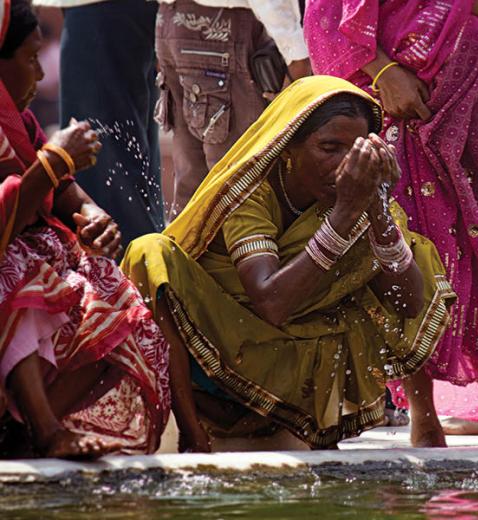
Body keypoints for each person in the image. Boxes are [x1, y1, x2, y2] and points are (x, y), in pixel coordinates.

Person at [122, 76, 455, 452]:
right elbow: (271, 303)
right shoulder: (250, 193)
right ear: (287, 149)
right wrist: (344, 215)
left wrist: (376, 207)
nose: (345, 164)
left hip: (291, 367)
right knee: (151, 253)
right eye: (329, 147)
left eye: (355, 150)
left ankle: (358, 426)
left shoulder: (357, 197)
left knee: (411, 253)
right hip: (214, 354)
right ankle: (192, 435)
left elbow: (408, 303)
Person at [304, 0, 478, 447]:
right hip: (409, 96)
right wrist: (380, 71)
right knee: (414, 253)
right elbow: (327, 12)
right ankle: (423, 417)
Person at [0, 0, 169, 459]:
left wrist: (93, 215)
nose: (40, 73)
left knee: (119, 303)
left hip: (29, 262)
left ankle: (27, 431)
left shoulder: (21, 118)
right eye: (30, 58)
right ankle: (45, 427)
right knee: (20, 271)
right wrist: (53, 163)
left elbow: (68, 190)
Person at [155, 0, 312, 219]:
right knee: (238, 184)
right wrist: (296, 54)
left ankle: (182, 250)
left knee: (194, 184)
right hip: (221, 30)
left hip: (175, 21)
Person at [32, 0, 165, 248]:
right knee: (126, 172)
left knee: (109, 179)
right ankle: (145, 270)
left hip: (101, 11)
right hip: (108, 12)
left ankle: (129, 276)